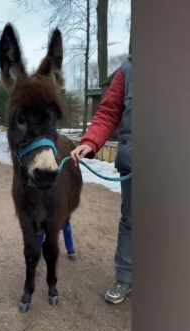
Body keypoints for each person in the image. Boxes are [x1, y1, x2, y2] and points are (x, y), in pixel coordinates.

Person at [70, 55, 132, 305]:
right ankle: (125, 276)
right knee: (131, 221)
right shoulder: (129, 67)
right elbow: (108, 111)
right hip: (134, 162)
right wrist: (90, 141)